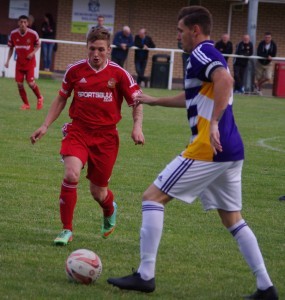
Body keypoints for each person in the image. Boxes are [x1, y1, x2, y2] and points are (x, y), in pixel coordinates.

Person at [107, 6, 278, 300]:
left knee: (152, 198)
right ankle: (266, 286)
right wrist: (154, 100)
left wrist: (212, 124)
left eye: (180, 31)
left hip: (208, 148)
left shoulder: (202, 53)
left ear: (194, 30)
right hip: (232, 151)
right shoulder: (203, 57)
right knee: (233, 219)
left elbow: (226, 80)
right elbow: (192, 97)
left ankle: (145, 275)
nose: (178, 36)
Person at [30, 28, 144, 245]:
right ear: (87, 48)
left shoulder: (119, 74)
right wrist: (45, 125)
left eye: (101, 49)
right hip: (78, 132)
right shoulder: (74, 71)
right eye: (92, 49)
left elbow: (136, 102)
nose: (96, 54)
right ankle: (66, 230)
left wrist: (137, 127)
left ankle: (109, 208)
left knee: (98, 193)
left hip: (106, 138)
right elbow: (62, 99)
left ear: (109, 50)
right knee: (71, 174)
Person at [4, 15, 44, 110]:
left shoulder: (33, 34)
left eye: (25, 22)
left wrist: (32, 53)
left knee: (30, 83)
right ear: (18, 23)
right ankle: (26, 104)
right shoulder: (13, 34)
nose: (23, 24)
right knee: (19, 84)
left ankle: (40, 98)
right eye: (21, 22)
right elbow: (11, 48)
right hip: (19, 63)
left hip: (29, 63)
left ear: (28, 23)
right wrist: (7, 61)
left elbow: (38, 45)